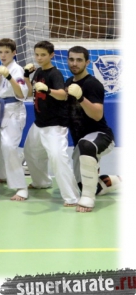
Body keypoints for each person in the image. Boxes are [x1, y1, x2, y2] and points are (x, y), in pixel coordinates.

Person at [23, 41, 80, 206]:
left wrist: (47, 90)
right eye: (37, 55)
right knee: (30, 152)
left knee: (57, 157)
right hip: (39, 122)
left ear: (51, 55)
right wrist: (26, 76)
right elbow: (30, 93)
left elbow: (63, 94)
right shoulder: (38, 71)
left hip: (55, 124)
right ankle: (41, 182)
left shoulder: (55, 74)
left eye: (43, 55)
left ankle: (72, 197)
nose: (39, 58)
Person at [65, 46, 120, 212]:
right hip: (81, 143)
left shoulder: (92, 84)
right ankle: (117, 181)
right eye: (71, 59)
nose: (74, 63)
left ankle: (88, 199)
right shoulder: (69, 82)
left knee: (86, 145)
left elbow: (97, 115)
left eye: (79, 60)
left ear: (87, 62)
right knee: (84, 185)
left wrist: (81, 97)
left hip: (101, 136)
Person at [0, 38, 29, 201]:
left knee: (9, 146)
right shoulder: (1, 69)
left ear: (14, 53)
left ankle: (21, 187)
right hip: (0, 109)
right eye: (0, 52)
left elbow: (21, 94)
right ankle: (4, 175)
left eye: (6, 52)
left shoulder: (17, 70)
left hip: (13, 111)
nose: (3, 55)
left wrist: (9, 77)